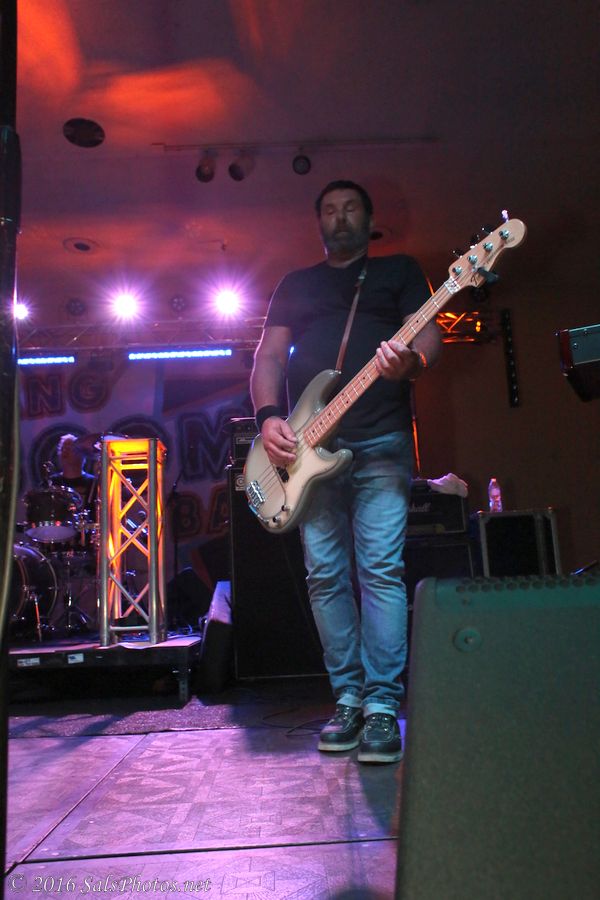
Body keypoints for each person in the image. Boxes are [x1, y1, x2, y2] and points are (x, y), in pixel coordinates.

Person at [250, 180, 442, 764]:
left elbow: (427, 333)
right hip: (307, 450)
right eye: (330, 210)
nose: (340, 217)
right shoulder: (295, 284)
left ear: (369, 217)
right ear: (319, 223)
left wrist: (412, 361)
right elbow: (267, 356)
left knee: (380, 570)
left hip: (381, 440)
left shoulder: (399, 271)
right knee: (325, 576)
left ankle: (382, 705)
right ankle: (349, 698)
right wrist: (267, 418)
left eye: (350, 207)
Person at [50, 433, 97, 510]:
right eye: (62, 449)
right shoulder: (51, 482)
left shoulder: (93, 483)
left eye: (69, 448)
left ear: (81, 454)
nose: (65, 451)